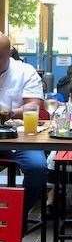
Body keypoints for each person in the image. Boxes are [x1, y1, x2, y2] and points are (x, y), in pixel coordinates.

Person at [0, 33, 47, 217]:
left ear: (9, 53)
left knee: (38, 168)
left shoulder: (25, 71)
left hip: (19, 135)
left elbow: (35, 105)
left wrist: (10, 112)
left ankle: (16, 217)